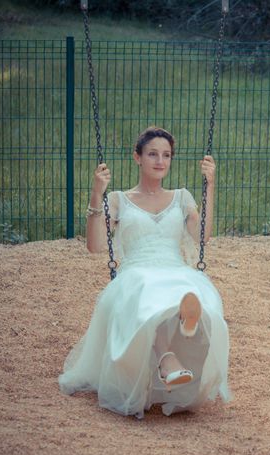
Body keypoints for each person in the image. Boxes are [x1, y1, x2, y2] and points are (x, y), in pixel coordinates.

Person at [59, 126, 232, 417]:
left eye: (166, 155)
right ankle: (172, 351)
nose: (160, 161)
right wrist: (96, 193)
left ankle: (179, 336)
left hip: (175, 269)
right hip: (137, 271)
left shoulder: (182, 197)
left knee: (194, 291)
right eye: (152, 154)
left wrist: (210, 185)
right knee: (145, 293)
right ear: (137, 157)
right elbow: (95, 246)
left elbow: (202, 237)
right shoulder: (117, 199)